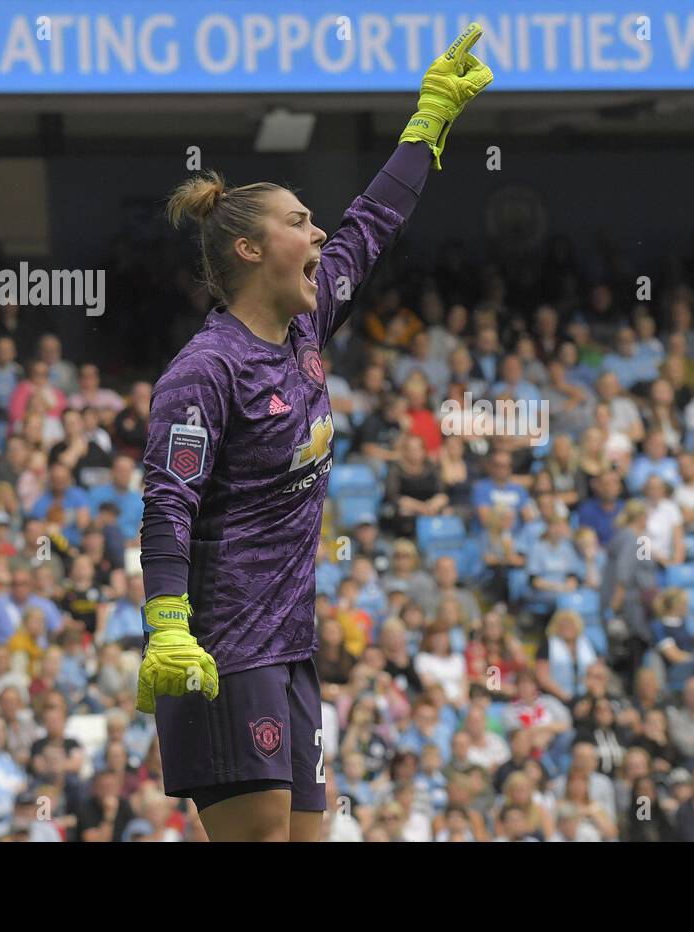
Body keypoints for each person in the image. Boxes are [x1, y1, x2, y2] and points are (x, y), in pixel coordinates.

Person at [136, 26, 492, 842]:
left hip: (291, 647)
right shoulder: (206, 371)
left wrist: (427, 122)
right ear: (252, 248)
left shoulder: (304, 326)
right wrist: (166, 622)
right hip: (223, 648)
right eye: (301, 222)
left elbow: (372, 224)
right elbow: (168, 501)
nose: (321, 234)